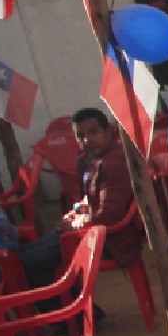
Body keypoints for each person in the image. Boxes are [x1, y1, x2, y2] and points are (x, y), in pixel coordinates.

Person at [17, 108, 139, 308]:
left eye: (93, 132)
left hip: (110, 240)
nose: (87, 140)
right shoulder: (87, 159)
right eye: (80, 135)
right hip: (90, 231)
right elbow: (89, 201)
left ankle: (70, 321)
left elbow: (109, 215)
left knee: (28, 263)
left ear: (109, 131)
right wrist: (76, 215)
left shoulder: (114, 161)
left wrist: (76, 227)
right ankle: (77, 313)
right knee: (21, 255)